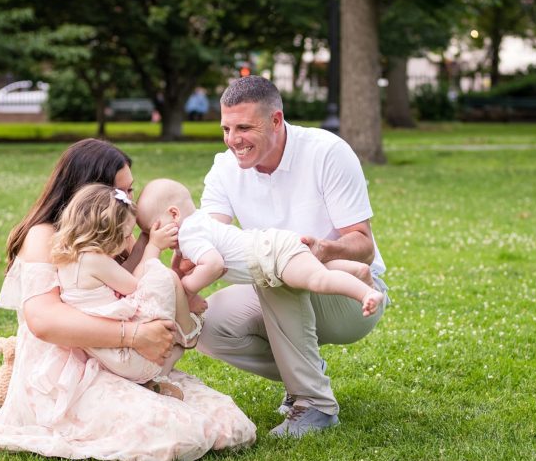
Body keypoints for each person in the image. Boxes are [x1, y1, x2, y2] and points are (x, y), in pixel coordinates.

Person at [0, 138, 255, 461]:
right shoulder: (44, 237)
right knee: (178, 435)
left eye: (131, 190)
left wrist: (158, 250)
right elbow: (44, 319)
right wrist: (134, 334)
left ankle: (147, 387)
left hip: (112, 361)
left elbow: (137, 283)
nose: (130, 201)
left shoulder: (109, 235)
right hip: (65, 373)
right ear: (89, 191)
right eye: (122, 192)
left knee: (227, 422)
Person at [187, 76, 389, 439]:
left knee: (272, 269)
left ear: (276, 120)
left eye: (245, 127)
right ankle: (304, 371)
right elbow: (209, 236)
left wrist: (325, 250)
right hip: (280, 285)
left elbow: (363, 244)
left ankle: (316, 406)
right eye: (226, 128)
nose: (234, 140)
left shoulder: (327, 152)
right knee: (207, 324)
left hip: (350, 290)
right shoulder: (224, 167)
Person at [135, 178, 385, 317]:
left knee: (318, 279)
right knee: (318, 267)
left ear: (174, 214)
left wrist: (187, 292)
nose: (157, 238)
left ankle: (364, 294)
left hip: (271, 256)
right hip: (273, 247)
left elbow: (214, 266)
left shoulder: (189, 235)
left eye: (155, 228)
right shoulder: (198, 222)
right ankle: (356, 271)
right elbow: (184, 271)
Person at [50, 182, 201, 399]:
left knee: (174, 343)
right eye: (125, 235)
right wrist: (154, 248)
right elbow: (137, 286)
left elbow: (119, 276)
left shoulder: (72, 258)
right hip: (128, 357)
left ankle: (157, 377)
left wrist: (144, 240)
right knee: (164, 277)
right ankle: (189, 331)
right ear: (106, 233)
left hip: (106, 352)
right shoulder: (96, 260)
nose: (126, 241)